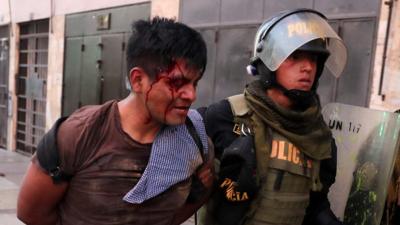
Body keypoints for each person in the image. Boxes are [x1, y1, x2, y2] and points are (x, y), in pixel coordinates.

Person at [17, 17, 214, 225]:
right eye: (177, 82)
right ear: (138, 80)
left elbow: (193, 201)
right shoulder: (80, 133)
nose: (191, 95)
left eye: (195, 83)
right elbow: (31, 213)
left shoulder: (195, 142)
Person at [198, 9, 347, 225]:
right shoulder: (226, 116)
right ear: (268, 61)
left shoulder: (318, 136)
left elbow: (316, 206)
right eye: (295, 57)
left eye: (314, 59)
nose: (307, 67)